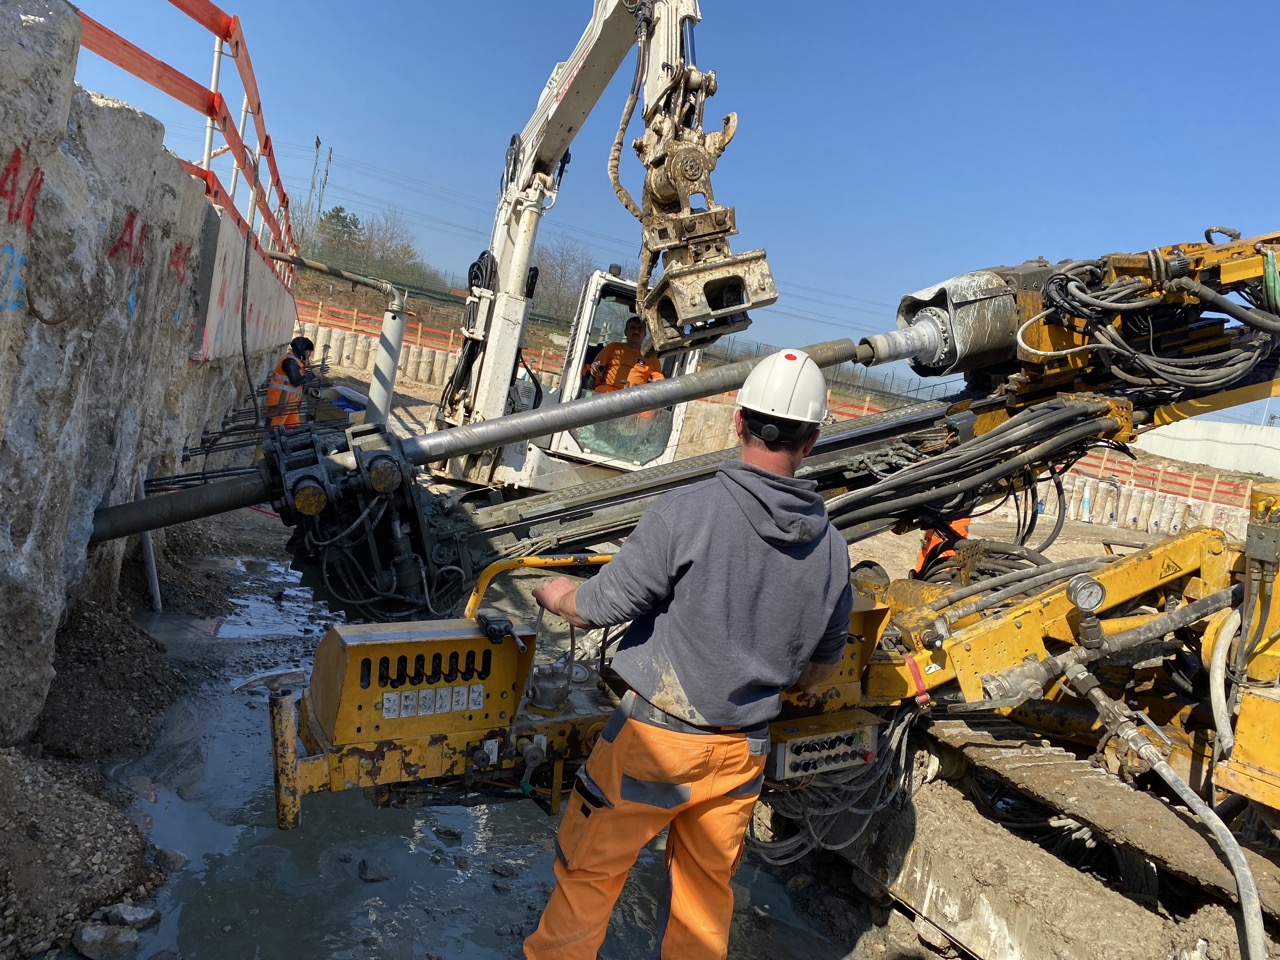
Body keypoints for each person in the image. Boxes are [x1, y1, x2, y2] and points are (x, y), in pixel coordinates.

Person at [523, 349, 854, 960]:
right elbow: (820, 667)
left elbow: (604, 603)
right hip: (742, 752)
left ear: (739, 422)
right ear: (811, 439)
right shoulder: (832, 549)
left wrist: (557, 594)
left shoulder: (688, 512)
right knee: (704, 903)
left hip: (655, 742)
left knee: (590, 878)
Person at [586, 315, 665, 393]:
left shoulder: (651, 357)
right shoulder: (614, 347)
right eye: (632, 328)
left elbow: (659, 380)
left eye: (640, 329)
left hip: (634, 398)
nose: (636, 331)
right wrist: (595, 368)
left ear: (644, 334)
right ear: (625, 331)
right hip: (607, 393)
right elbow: (596, 365)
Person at [264, 336, 315, 428]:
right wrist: (312, 375)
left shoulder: (297, 362)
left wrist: (308, 390)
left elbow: (294, 386)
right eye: (309, 351)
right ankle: (263, 442)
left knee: (293, 429)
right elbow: (296, 381)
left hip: (290, 404)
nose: (309, 355)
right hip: (279, 404)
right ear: (302, 349)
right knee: (272, 430)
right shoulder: (290, 361)